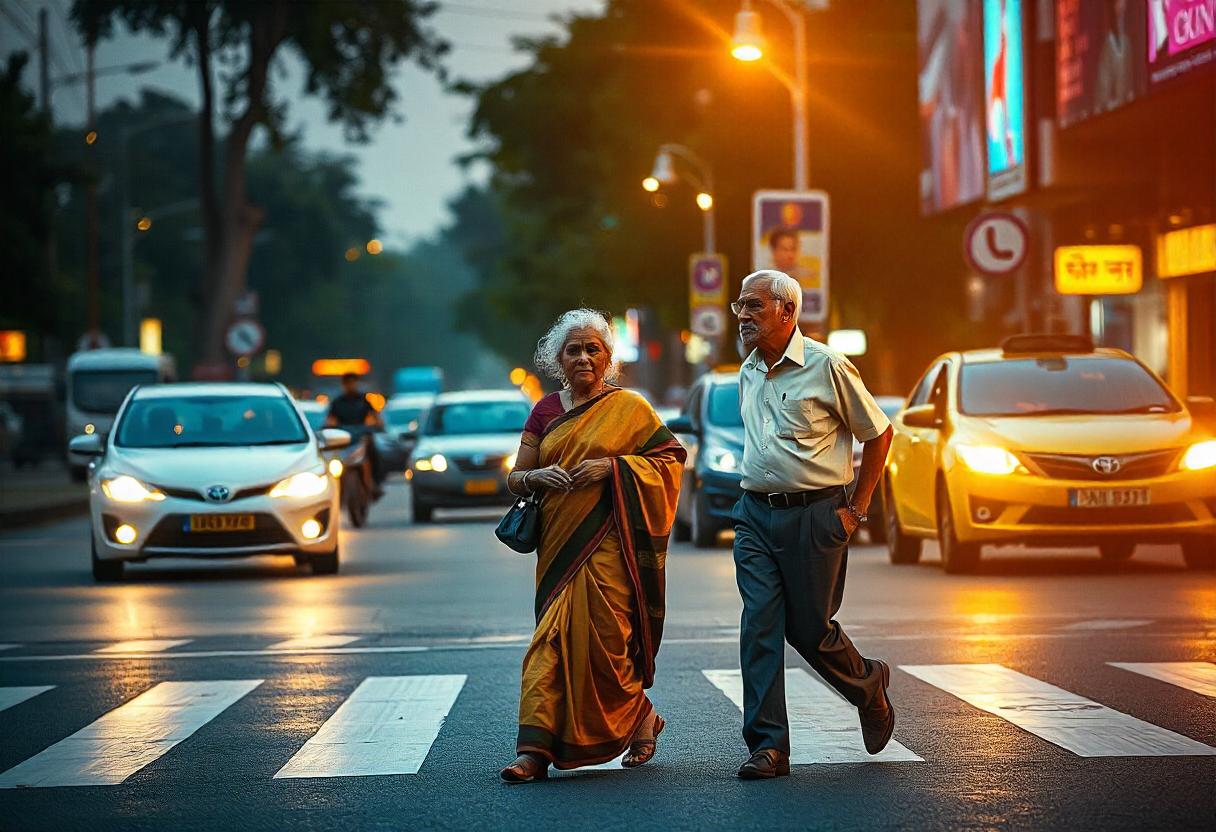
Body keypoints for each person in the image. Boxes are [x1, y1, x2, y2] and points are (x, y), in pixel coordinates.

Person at [498, 309, 686, 783]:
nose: (583, 356)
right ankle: (534, 751)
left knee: (607, 647)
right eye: (573, 349)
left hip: (610, 549)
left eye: (592, 348)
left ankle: (639, 716)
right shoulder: (544, 411)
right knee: (549, 644)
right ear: (558, 359)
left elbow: (669, 460)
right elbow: (515, 477)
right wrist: (535, 476)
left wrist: (615, 468)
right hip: (559, 551)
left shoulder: (632, 408)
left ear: (607, 358)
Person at [729, 270, 896, 780]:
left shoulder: (828, 366)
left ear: (787, 311)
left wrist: (856, 510)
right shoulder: (748, 369)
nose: (743, 315)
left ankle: (868, 686)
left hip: (816, 514)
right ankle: (768, 747)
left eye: (754, 306)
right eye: (740, 305)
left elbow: (879, 434)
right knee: (759, 624)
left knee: (809, 630)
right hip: (754, 514)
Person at [325, 372, 385, 496]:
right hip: (344, 439)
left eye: (353, 382)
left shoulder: (363, 400)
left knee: (374, 450)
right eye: (348, 383)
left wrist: (376, 426)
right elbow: (330, 421)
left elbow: (376, 418)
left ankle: (376, 482)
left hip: (361, 437)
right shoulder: (337, 402)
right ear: (343, 385)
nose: (351, 386)